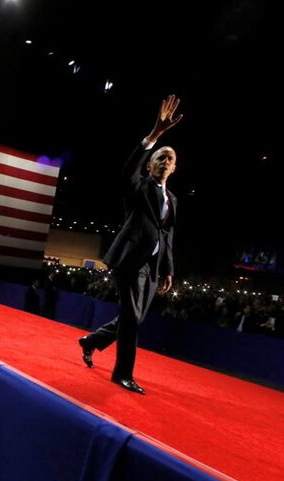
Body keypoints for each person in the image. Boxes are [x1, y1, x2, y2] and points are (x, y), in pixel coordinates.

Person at [78, 95, 182, 394]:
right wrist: (155, 135)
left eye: (170, 159)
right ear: (150, 165)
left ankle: (93, 340)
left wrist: (167, 269)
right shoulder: (138, 187)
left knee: (134, 317)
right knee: (132, 319)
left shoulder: (173, 200)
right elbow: (127, 172)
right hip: (128, 261)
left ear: (175, 168)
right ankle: (122, 373)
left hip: (152, 266)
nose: (165, 162)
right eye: (160, 157)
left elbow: (168, 236)